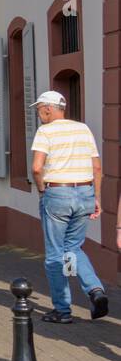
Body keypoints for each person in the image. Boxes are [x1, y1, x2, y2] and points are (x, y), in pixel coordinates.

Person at [30, 90, 107, 322]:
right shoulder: (83, 129)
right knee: (73, 248)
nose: (38, 113)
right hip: (85, 192)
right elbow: (96, 168)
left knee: (55, 253)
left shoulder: (45, 131)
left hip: (57, 193)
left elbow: (36, 167)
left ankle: (62, 310)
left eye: (39, 109)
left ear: (48, 109)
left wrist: (42, 189)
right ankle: (95, 290)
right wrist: (96, 197)